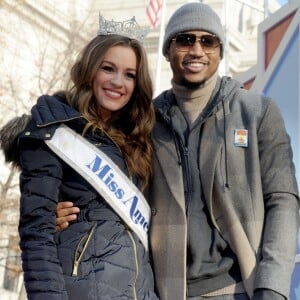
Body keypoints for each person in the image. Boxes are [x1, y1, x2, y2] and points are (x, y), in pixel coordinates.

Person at [55, 2, 300, 300]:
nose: (196, 50)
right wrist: (61, 213)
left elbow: (283, 201)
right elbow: (112, 192)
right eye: (185, 39)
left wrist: (272, 286)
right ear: (168, 51)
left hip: (242, 289)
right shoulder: (144, 120)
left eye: (207, 41)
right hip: (166, 291)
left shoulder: (257, 112)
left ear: (219, 52)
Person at [0, 15, 159, 300]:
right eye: (108, 68)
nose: (117, 81)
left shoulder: (138, 143)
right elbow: (37, 234)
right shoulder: (54, 131)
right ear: (89, 70)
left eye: (129, 74)